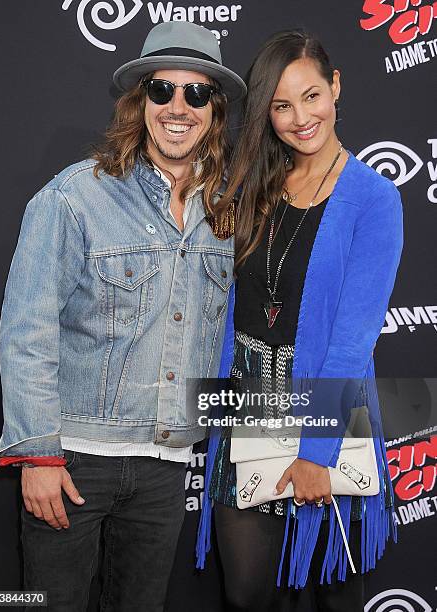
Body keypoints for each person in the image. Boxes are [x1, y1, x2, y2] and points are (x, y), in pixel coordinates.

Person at [0, 21, 245, 612]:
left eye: (197, 93)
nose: (178, 107)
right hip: (74, 458)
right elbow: (26, 333)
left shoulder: (228, 212)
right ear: (140, 101)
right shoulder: (74, 198)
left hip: (165, 465)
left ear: (215, 110)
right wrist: (39, 454)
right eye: (162, 90)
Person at [197, 30, 403, 611]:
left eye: (311, 96)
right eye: (281, 106)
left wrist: (317, 450)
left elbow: (352, 339)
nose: (299, 118)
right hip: (249, 401)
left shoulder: (373, 198)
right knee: (244, 592)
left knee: (335, 592)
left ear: (335, 87)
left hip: (328, 406)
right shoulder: (251, 187)